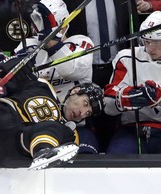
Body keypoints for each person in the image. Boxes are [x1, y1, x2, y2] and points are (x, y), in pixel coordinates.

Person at [14, 0, 98, 154]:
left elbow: (70, 70)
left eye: (43, 23)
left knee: (85, 160)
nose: (37, 28)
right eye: (37, 22)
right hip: (33, 124)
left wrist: (51, 42)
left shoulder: (80, 43)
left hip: (74, 126)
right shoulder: (27, 45)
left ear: (63, 25)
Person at [64, 0, 139, 152]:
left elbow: (133, 33)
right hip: (84, 70)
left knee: (113, 118)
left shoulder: (125, 1)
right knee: (85, 116)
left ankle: (110, 154)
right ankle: (88, 151)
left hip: (116, 69)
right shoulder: (72, 2)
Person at [104, 11, 161, 154]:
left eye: (156, 43)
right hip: (132, 129)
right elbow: (107, 104)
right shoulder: (127, 57)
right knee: (114, 163)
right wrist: (130, 97)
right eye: (147, 42)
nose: (150, 48)